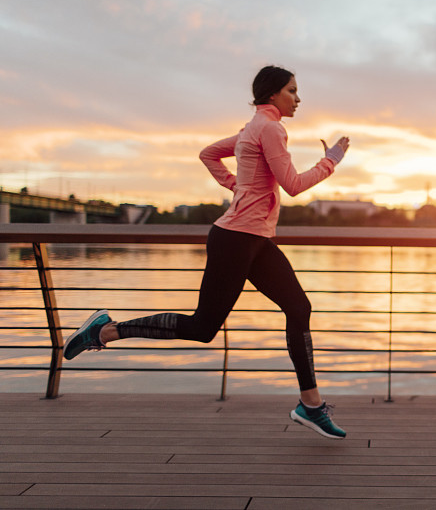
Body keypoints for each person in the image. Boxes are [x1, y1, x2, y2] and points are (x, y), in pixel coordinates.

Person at [63, 65, 349, 439]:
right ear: (273, 93)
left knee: (298, 308)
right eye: (293, 91)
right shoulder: (271, 128)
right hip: (237, 239)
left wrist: (239, 189)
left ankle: (310, 406)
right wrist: (332, 162)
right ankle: (105, 331)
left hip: (254, 239)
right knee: (203, 327)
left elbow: (207, 154)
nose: (298, 98)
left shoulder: (252, 128)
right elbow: (293, 185)